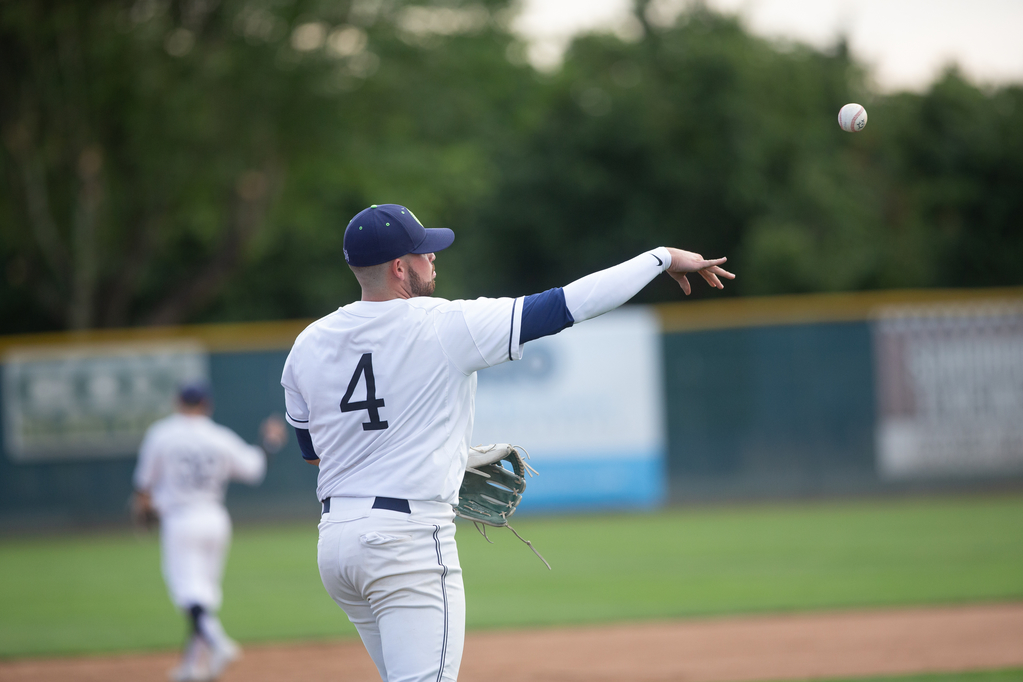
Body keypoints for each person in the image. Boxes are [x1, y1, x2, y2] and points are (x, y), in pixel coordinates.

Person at [280, 203, 734, 682]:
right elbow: (567, 304)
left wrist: (439, 457)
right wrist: (659, 257)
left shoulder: (309, 342)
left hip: (336, 546)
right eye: (424, 253)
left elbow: (314, 454)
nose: (433, 259)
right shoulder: (442, 324)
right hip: (405, 543)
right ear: (399, 267)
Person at [132, 381, 287, 682]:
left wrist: (143, 515)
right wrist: (271, 441)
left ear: (178, 402)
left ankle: (219, 644)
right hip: (215, 519)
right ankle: (191, 667)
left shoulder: (162, 434)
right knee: (204, 596)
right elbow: (255, 468)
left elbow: (143, 487)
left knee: (189, 594)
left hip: (180, 520)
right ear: (207, 405)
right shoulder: (218, 436)